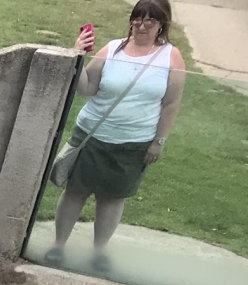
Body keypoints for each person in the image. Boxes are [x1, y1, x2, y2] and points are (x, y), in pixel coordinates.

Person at [46, 0, 186, 270]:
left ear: (161, 26)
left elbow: (171, 104)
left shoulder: (171, 57)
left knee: (112, 198)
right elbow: (87, 88)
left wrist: (159, 141)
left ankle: (99, 252)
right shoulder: (112, 49)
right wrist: (78, 56)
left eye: (149, 21)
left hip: (134, 142)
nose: (141, 26)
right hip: (92, 134)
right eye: (137, 19)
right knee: (75, 191)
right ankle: (58, 245)